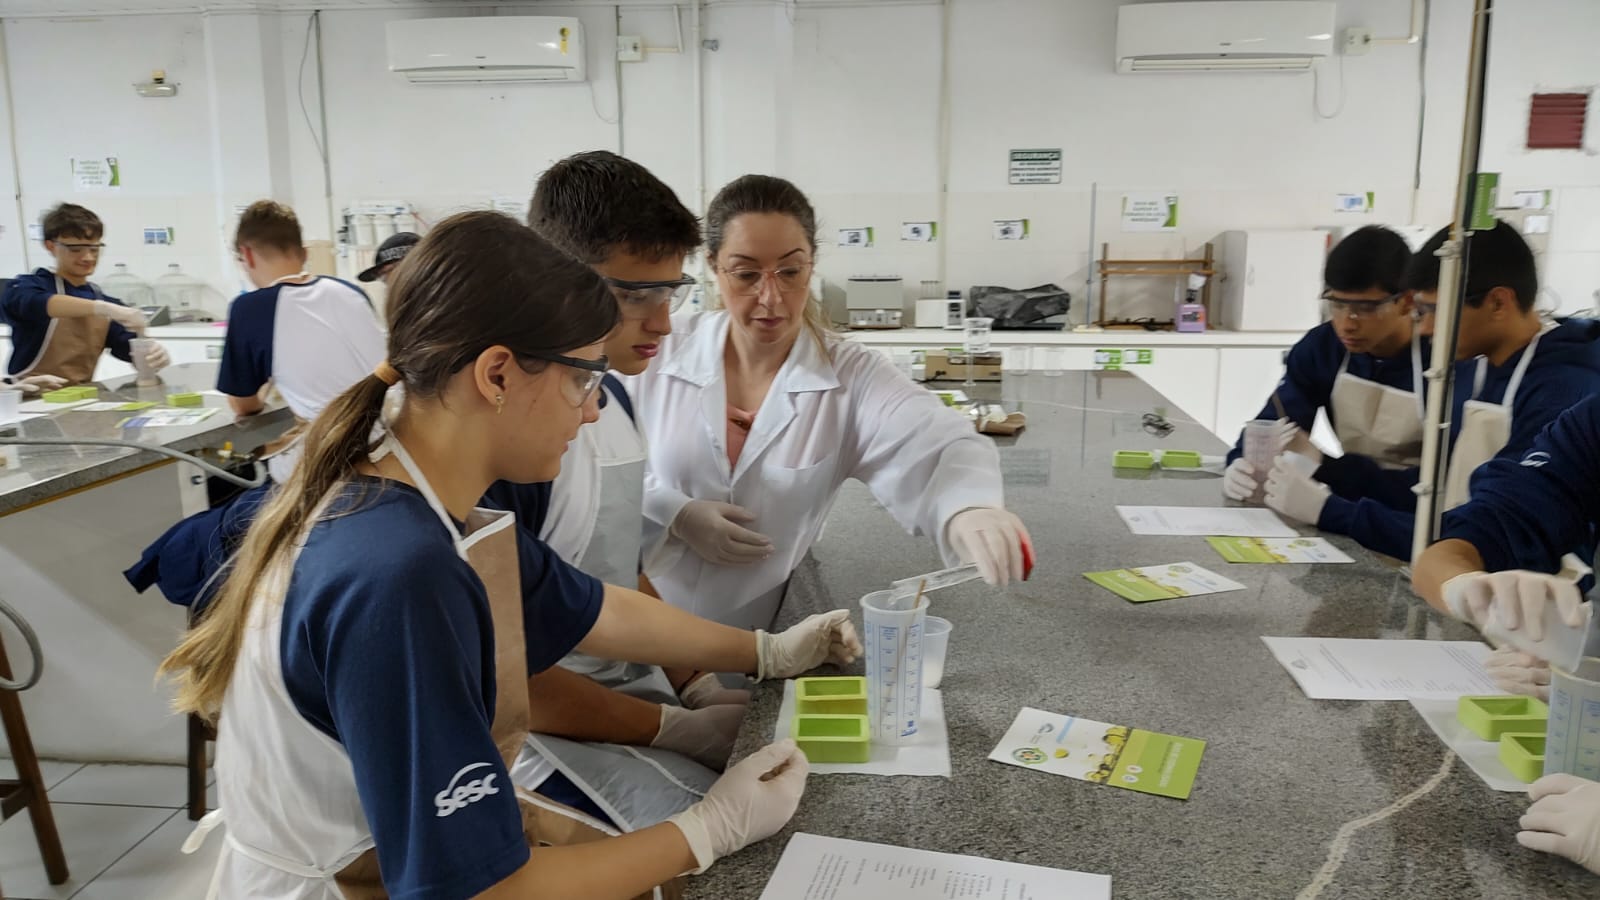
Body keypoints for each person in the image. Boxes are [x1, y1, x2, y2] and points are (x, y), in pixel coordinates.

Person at [160, 212, 858, 898]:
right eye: (582, 380)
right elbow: (486, 892)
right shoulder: (397, 572)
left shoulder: (419, 504)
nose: (592, 410)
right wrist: (711, 830)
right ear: (497, 374)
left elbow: (598, 611)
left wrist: (767, 651)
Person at [629, 175, 1031, 631]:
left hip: (754, 632)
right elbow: (591, 463)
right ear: (714, 267)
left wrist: (969, 505)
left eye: (790, 272)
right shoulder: (658, 349)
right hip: (635, 621)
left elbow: (936, 441)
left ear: (812, 266)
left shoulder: (849, 374)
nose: (771, 297)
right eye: (746, 274)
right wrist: (673, 512)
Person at [482, 151, 734, 828]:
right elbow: (504, 678)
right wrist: (675, 729)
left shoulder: (612, 397)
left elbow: (618, 569)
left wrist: (696, 683)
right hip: (540, 732)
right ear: (557, 278)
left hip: (625, 701)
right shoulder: (511, 445)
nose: (663, 323)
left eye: (670, 293)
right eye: (635, 296)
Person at [1263, 221, 1600, 561]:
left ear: (1498, 303)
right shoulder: (1481, 365)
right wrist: (1324, 471)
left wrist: (1335, 512)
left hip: (1521, 581)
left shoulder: (1564, 387)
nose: (1424, 328)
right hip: (1454, 562)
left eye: (1435, 311)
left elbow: (1498, 531)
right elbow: (1437, 489)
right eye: (1421, 311)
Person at [1223, 226, 1425, 506]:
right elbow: (1278, 422)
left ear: (1406, 302)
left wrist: (1322, 464)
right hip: (1350, 501)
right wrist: (1240, 462)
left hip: (1417, 510)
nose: (1347, 323)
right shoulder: (1323, 348)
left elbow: (1438, 484)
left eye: (1365, 309)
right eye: (1337, 305)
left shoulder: (1442, 362)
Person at [216, 200, 385, 480]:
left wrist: (267, 384)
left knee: (226, 505)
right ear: (304, 253)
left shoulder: (250, 309)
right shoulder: (350, 291)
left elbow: (243, 406)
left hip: (331, 462)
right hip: (388, 447)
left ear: (246, 255)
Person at [1, 203, 168, 385]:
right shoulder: (26, 287)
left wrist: (152, 354)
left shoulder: (102, 300)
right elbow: (35, 302)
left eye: (94, 249)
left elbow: (128, 349)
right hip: (28, 397)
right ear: (50, 246)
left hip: (81, 396)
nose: (88, 257)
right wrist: (103, 308)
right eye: (75, 249)